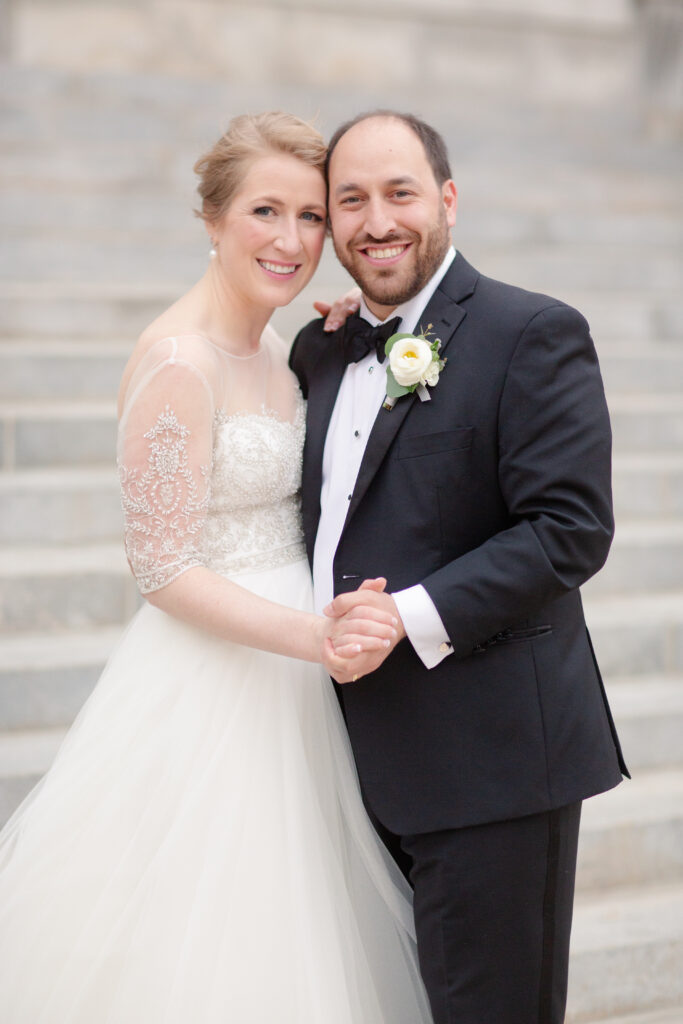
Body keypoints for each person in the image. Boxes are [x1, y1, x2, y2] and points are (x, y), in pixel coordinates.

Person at [0, 113, 434, 1024]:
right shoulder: (177, 363)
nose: (290, 240)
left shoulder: (280, 347)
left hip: (295, 687)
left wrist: (347, 331)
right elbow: (159, 567)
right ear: (211, 220)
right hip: (218, 683)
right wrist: (310, 637)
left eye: (311, 217)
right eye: (263, 212)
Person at [290, 110, 630, 1024]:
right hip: (351, 763)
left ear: (446, 198)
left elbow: (569, 529)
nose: (376, 221)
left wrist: (404, 614)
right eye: (350, 200)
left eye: (398, 192)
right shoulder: (318, 348)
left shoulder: (532, 331)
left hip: (493, 765)